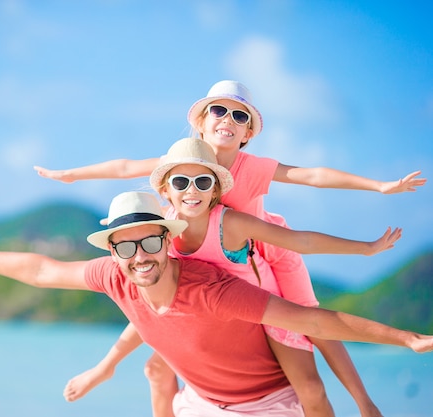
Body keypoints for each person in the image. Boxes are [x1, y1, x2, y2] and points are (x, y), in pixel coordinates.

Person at [33, 80, 426, 417]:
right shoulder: (180, 166)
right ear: (199, 122)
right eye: (218, 110)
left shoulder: (251, 168)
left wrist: (377, 196)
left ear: (249, 132)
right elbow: (123, 168)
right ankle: (106, 367)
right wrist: (71, 174)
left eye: (240, 116)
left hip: (264, 256)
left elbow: (313, 177)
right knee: (156, 348)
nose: (228, 119)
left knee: (313, 326)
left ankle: (364, 402)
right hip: (207, 266)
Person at [0, 191, 433, 417]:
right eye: (126, 245)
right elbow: (38, 270)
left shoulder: (213, 289)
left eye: (149, 243)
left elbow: (312, 319)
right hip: (202, 406)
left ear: (167, 242)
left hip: (267, 408)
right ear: (115, 251)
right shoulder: (115, 276)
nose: (139, 256)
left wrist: (404, 338)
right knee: (155, 371)